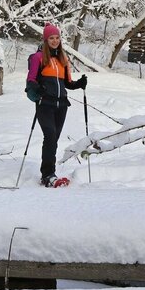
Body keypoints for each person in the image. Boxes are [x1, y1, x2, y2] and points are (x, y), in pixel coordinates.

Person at [25, 23, 87, 187]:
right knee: (50, 136)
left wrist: (79, 84)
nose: (54, 41)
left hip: (61, 106)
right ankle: (48, 175)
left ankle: (48, 172)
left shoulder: (63, 59)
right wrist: (39, 88)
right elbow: (30, 81)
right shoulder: (38, 57)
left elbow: (67, 83)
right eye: (51, 38)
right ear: (46, 40)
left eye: (57, 37)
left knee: (54, 140)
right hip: (45, 104)